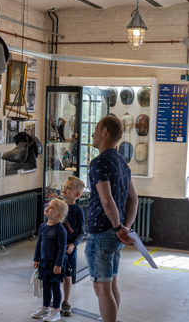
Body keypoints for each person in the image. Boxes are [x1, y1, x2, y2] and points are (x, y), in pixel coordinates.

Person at [85, 115, 139, 322]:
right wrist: (126, 227)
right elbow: (133, 199)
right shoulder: (122, 162)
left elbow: (107, 201)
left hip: (101, 235)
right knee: (111, 284)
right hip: (114, 235)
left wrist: (118, 227)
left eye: (96, 129)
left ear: (105, 132)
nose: (93, 134)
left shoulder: (99, 162)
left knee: (101, 287)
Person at [32, 199, 69, 322]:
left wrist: (58, 264)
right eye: (48, 205)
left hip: (54, 263)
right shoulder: (43, 226)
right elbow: (39, 244)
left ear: (59, 215)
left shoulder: (60, 230)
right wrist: (36, 259)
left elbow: (62, 248)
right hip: (44, 262)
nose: (48, 207)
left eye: (52, 207)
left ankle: (56, 310)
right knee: (45, 286)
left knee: (55, 286)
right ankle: (46, 307)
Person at [60, 176, 86, 317]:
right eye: (64, 186)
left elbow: (82, 231)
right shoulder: (57, 205)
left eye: (69, 187)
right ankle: (53, 302)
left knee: (67, 275)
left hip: (69, 249)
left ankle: (65, 301)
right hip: (55, 248)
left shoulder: (78, 211)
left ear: (77, 194)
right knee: (53, 274)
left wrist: (73, 245)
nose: (64, 189)